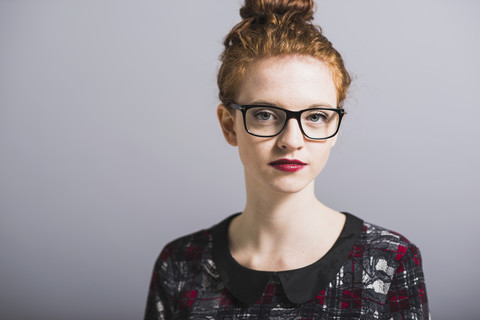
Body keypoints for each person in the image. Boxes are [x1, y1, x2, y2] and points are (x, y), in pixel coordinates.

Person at [144, 0, 430, 319]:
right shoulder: (180, 265)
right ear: (229, 125)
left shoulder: (389, 262)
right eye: (265, 115)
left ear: (335, 127)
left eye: (317, 116)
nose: (292, 141)